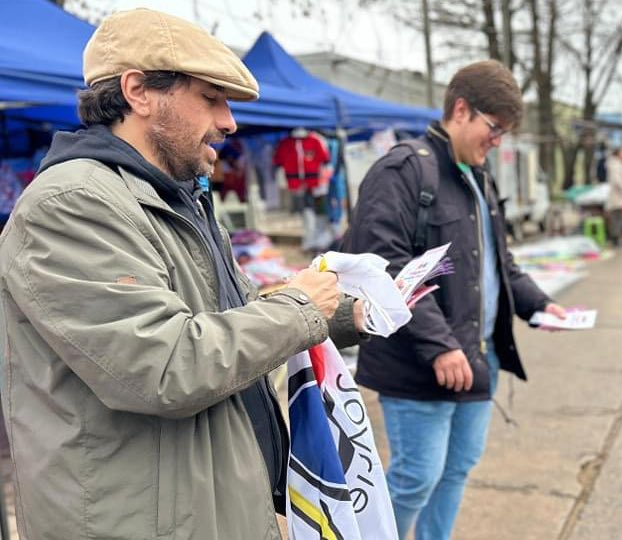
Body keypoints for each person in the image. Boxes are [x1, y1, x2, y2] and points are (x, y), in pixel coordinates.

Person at [0, 9, 367, 539]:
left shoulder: (174, 197)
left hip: (201, 509)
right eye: (211, 99)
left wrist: (344, 314)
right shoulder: (73, 203)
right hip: (139, 524)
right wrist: (300, 308)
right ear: (139, 92)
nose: (229, 122)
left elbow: (230, 317)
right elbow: (165, 364)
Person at [341, 60, 567, 540]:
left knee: (457, 469)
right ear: (461, 110)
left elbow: (499, 263)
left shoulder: (478, 178)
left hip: (477, 359)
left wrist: (538, 304)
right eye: (494, 128)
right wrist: (440, 345)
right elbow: (386, 265)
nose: (498, 141)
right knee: (414, 479)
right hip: (419, 363)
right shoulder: (402, 171)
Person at [605, 146, 622, 246]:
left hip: (620, 196)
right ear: (618, 153)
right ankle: (615, 239)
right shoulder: (615, 165)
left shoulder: (619, 163)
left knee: (619, 217)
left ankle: (618, 238)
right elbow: (617, 181)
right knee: (616, 218)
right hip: (618, 196)